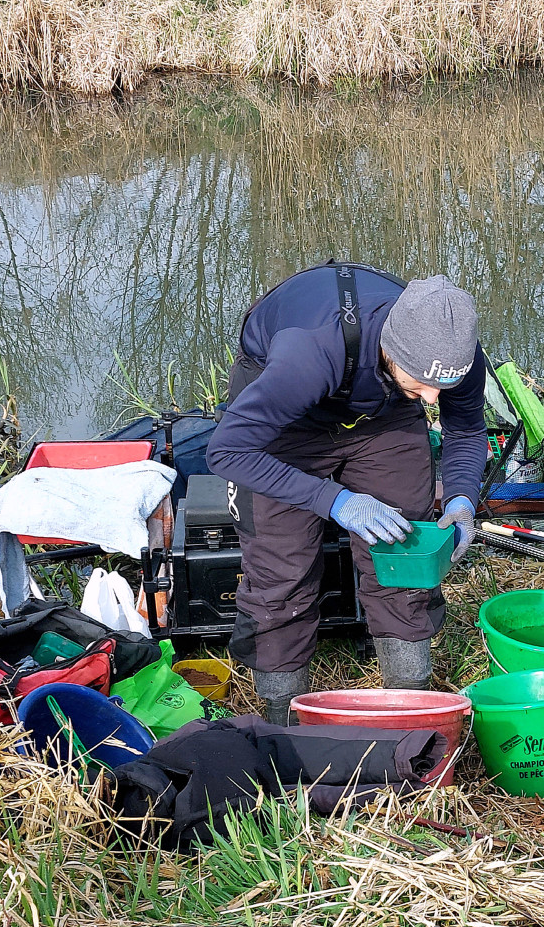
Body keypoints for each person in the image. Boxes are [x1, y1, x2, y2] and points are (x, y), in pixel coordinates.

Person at [206, 264, 489, 724]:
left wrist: (461, 499)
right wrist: (334, 500)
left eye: (444, 386)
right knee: (281, 574)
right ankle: (283, 720)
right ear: (392, 348)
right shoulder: (308, 353)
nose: (433, 399)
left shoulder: (454, 353)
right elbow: (227, 452)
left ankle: (409, 707)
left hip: (385, 415)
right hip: (289, 424)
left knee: (404, 556)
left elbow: (467, 430)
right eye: (423, 381)